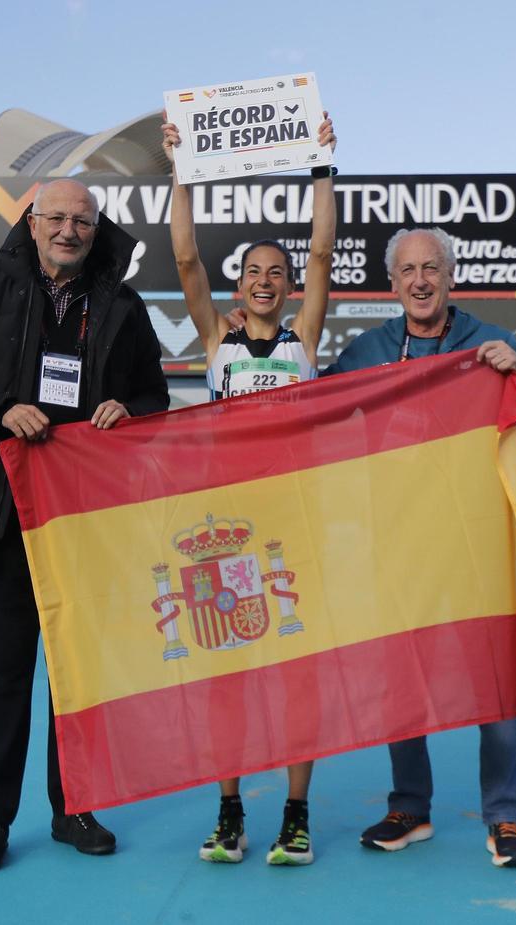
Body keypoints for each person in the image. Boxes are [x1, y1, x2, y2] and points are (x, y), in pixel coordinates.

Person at [0, 178, 170, 873]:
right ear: (31, 223)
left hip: (84, 525)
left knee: (78, 677)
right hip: (1, 522)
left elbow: (154, 393)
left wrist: (130, 410)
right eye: (55, 217)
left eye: (81, 220)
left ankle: (75, 806)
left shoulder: (119, 304)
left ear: (96, 228)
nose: (68, 229)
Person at [325, 226, 516, 868]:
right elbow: (313, 407)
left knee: (495, 676)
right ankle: (410, 805)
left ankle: (506, 817)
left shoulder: (488, 342)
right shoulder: (371, 349)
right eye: (407, 270)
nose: (419, 279)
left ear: (450, 276)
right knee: (402, 674)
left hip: (478, 543)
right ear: (392, 283)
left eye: (431, 267)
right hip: (400, 542)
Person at [161, 112, 337, 866]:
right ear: (239, 286)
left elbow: (324, 249)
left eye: (277, 274)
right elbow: (184, 257)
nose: (264, 282)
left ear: (289, 288)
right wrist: (181, 174)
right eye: (253, 273)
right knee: (226, 667)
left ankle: (295, 814)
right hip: (225, 527)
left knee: (296, 670)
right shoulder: (216, 340)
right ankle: (230, 811)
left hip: (291, 523)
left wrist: (324, 167)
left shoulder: (303, 340)